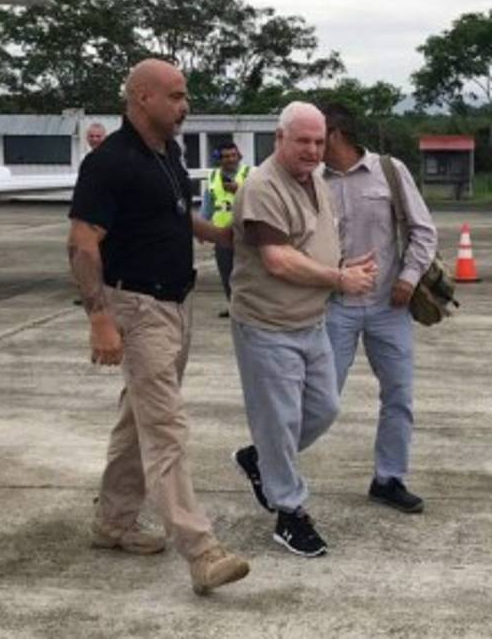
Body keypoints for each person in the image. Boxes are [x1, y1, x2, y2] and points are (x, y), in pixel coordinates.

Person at [68, 58, 249, 596]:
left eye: (185, 95)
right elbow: (82, 242)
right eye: (175, 95)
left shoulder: (168, 153)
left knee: (138, 419)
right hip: (137, 308)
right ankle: (202, 550)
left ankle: (114, 522)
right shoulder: (109, 163)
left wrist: (221, 236)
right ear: (142, 98)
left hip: (177, 305)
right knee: (166, 428)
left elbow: (173, 215)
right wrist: (99, 316)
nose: (184, 105)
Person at [228, 102, 377, 557]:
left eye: (319, 141)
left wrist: (340, 265)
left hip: (311, 321)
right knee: (280, 419)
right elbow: (277, 258)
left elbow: (309, 245)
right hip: (268, 324)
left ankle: (260, 457)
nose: (313, 150)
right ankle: (289, 513)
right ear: (280, 139)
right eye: (303, 141)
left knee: (325, 408)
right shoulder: (262, 186)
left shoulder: (316, 180)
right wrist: (338, 279)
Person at [321, 103, 438, 514]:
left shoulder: (389, 170)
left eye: (317, 135)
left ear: (334, 133)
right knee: (322, 397)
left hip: (390, 305)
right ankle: (277, 471)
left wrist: (408, 278)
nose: (310, 145)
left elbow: (423, 230)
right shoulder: (310, 180)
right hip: (334, 305)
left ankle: (389, 478)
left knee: (399, 396)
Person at [199, 140, 249, 317]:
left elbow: (260, 197)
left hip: (246, 233)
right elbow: (208, 204)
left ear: (239, 156)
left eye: (233, 155)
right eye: (226, 156)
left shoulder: (249, 174)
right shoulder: (213, 177)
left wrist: (240, 189)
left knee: (247, 273)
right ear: (219, 159)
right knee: (227, 272)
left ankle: (249, 308)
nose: (230, 159)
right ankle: (233, 306)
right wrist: (202, 229)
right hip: (221, 234)